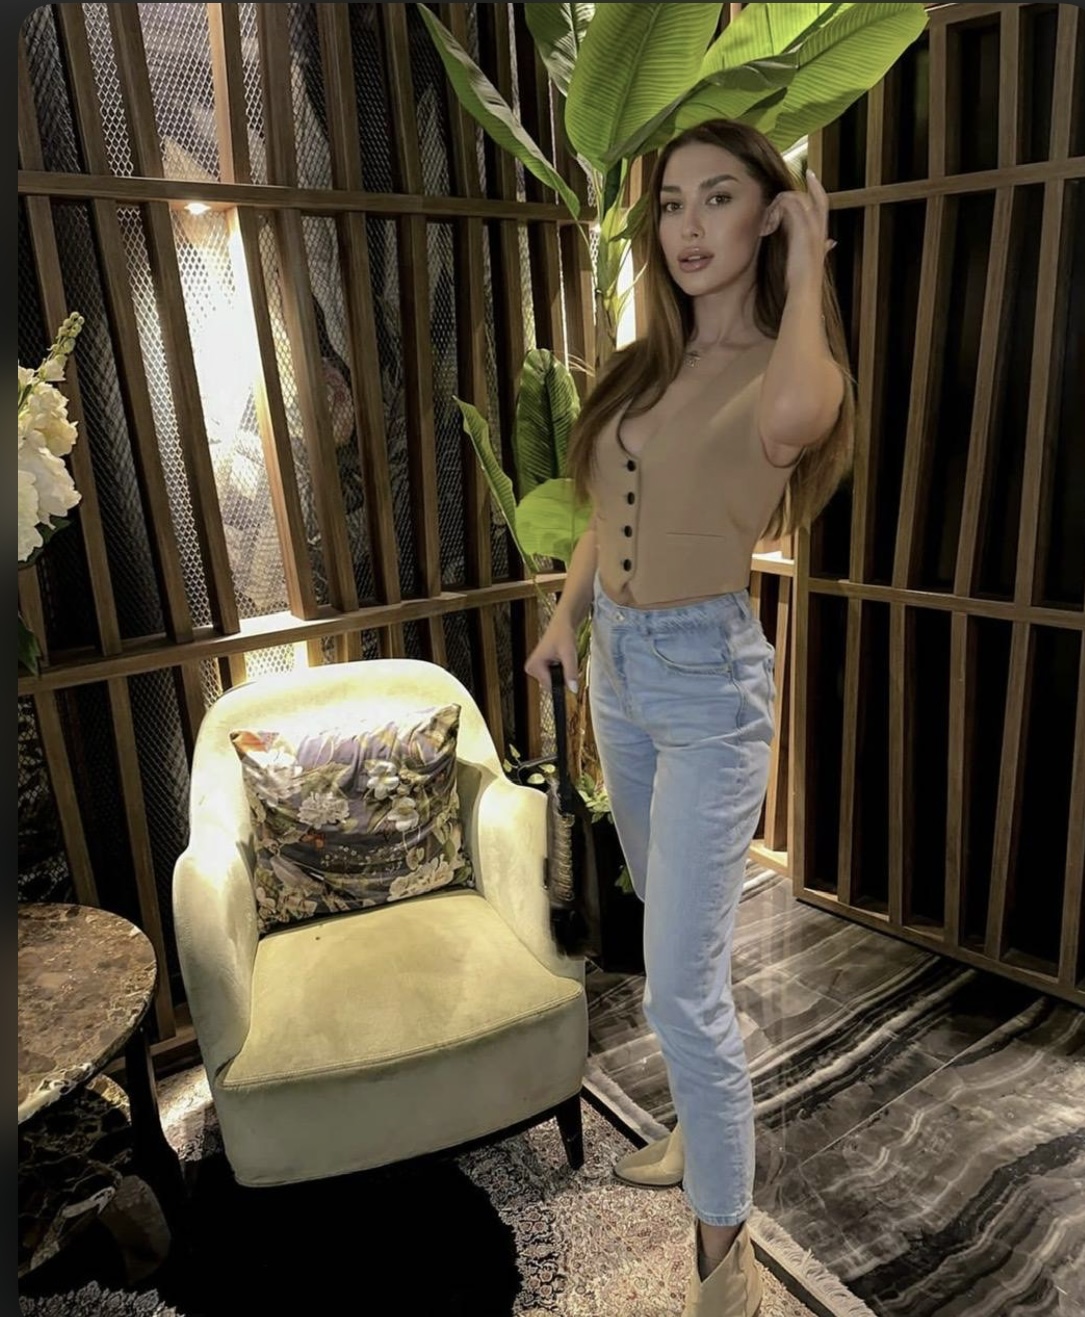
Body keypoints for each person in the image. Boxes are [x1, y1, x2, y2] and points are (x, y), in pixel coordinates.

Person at [525, 118, 855, 1317]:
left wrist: (807, 263)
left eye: (719, 198)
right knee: (671, 933)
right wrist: (565, 620)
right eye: (670, 203)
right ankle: (688, 1127)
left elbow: (802, 417)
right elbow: (597, 511)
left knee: (677, 988)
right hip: (618, 672)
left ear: (767, 215)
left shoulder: (781, 368)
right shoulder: (643, 364)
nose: (686, 227)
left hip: (707, 690)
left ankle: (727, 1262)